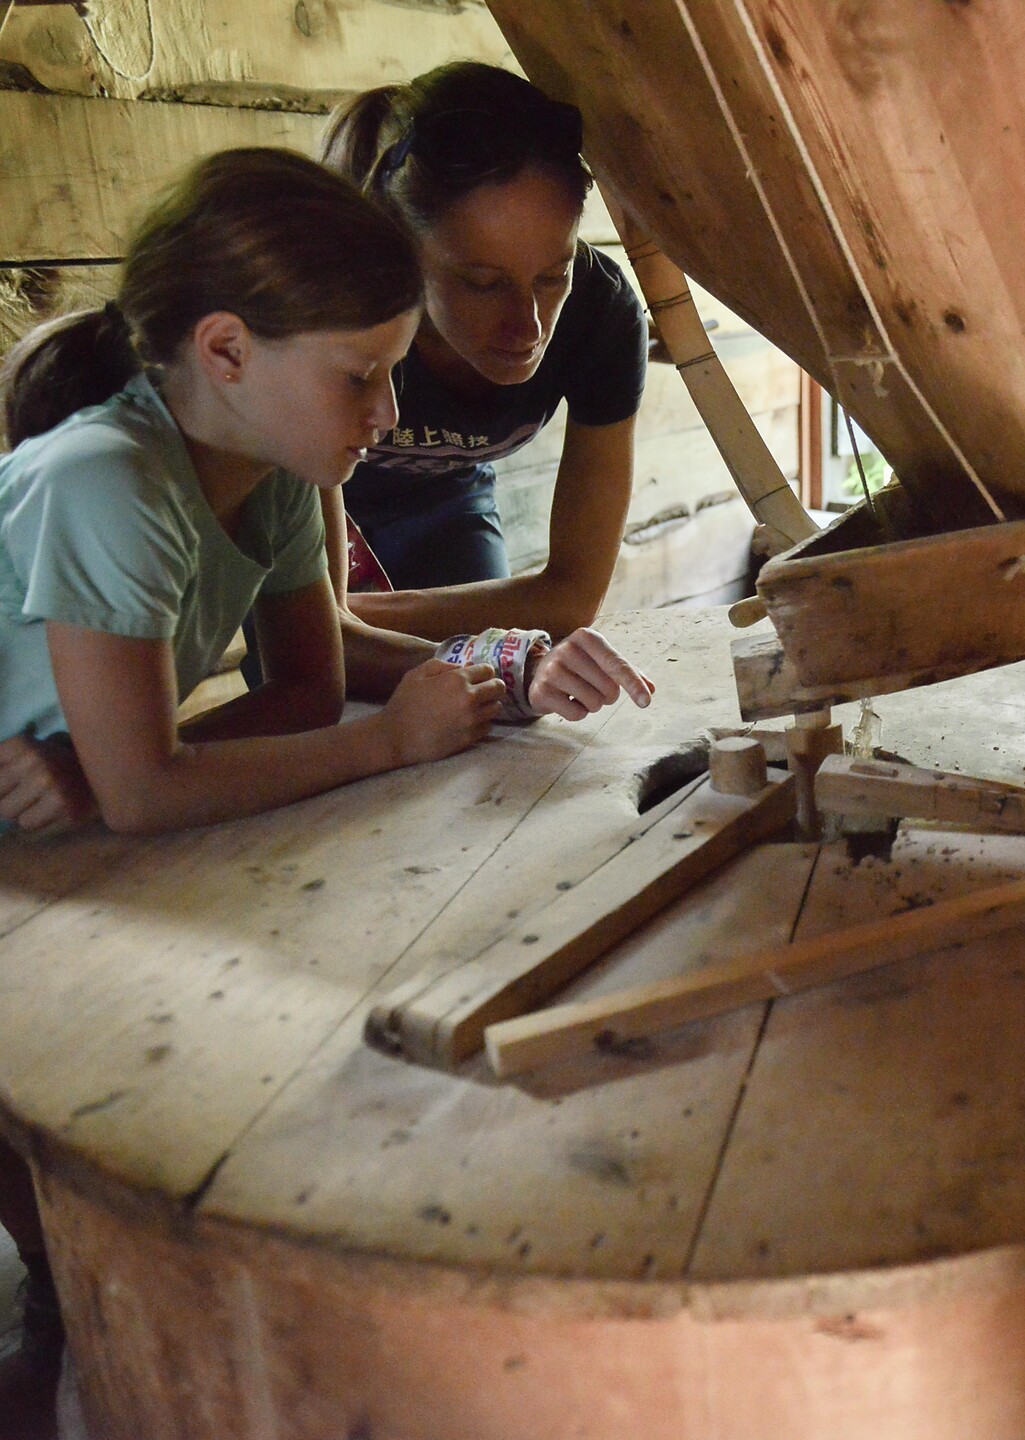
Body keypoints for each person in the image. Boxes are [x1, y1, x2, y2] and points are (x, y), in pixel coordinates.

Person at [0, 147, 651, 1415]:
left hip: (45, 815)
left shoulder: (286, 472)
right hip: (34, 827)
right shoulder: (105, 482)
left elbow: (314, 676)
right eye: (362, 377)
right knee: (43, 1141)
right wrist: (381, 745)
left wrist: (505, 671)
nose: (390, 414)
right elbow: (152, 792)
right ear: (229, 352)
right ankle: (72, 1322)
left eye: (392, 371)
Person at [317, 62, 648, 694]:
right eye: (482, 282)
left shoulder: (599, 318)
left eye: (552, 276)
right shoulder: (335, 311)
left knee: (479, 712)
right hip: (328, 502)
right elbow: (314, 653)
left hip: (447, 501)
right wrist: (318, 626)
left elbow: (572, 595)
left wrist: (341, 622)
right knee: (322, 698)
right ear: (404, 251)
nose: (527, 326)